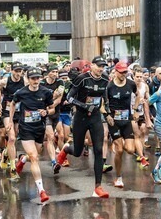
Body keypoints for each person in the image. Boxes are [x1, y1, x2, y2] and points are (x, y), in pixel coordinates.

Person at [56, 57, 110, 195]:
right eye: (99, 66)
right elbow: (69, 97)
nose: (101, 69)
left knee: (98, 149)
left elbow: (105, 97)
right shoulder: (82, 78)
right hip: (81, 117)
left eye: (103, 66)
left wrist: (108, 113)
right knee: (78, 151)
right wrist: (84, 106)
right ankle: (67, 149)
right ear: (92, 65)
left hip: (96, 117)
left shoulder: (104, 79)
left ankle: (98, 186)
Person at [9, 69, 54, 203]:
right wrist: (11, 121)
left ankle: (22, 160)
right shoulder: (21, 92)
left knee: (35, 154)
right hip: (26, 129)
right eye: (33, 78)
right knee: (34, 158)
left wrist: (46, 112)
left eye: (38, 78)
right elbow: (12, 104)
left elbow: (52, 108)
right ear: (28, 79)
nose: (35, 81)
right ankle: (41, 190)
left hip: (39, 128)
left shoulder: (46, 92)